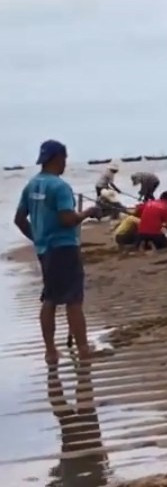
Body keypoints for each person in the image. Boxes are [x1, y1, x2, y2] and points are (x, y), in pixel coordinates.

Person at [13, 140, 100, 364]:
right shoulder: (60, 187)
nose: (65, 163)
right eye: (65, 159)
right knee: (73, 299)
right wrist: (87, 213)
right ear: (58, 158)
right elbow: (67, 218)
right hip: (65, 247)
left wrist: (38, 238)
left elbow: (19, 219)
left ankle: (51, 351)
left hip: (46, 250)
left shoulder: (32, 185)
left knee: (50, 298)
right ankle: (83, 349)